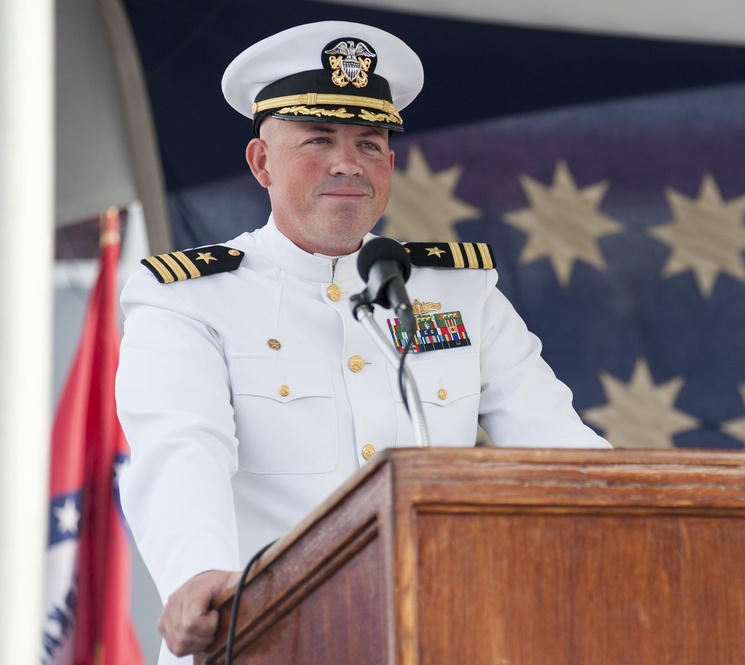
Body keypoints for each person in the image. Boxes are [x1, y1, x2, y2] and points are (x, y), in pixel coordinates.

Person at [116, 20, 611, 665]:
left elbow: (560, 446)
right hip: (262, 637)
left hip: (436, 636)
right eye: (318, 138)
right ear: (262, 162)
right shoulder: (188, 297)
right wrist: (197, 574)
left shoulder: (458, 292)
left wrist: (628, 519)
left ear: (390, 163)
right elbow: (182, 450)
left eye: (369, 142)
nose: (347, 162)